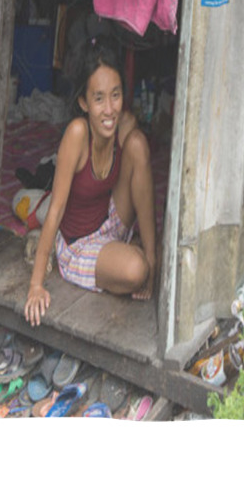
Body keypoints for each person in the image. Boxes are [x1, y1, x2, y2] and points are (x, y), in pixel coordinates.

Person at [24, 35, 158, 327]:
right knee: (136, 270)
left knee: (136, 144)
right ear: (84, 102)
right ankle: (136, 261)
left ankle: (151, 255)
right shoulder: (77, 134)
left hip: (108, 222)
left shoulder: (123, 123)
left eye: (115, 95)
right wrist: (36, 284)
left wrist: (151, 261)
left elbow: (139, 170)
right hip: (80, 245)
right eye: (98, 98)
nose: (109, 109)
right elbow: (56, 210)